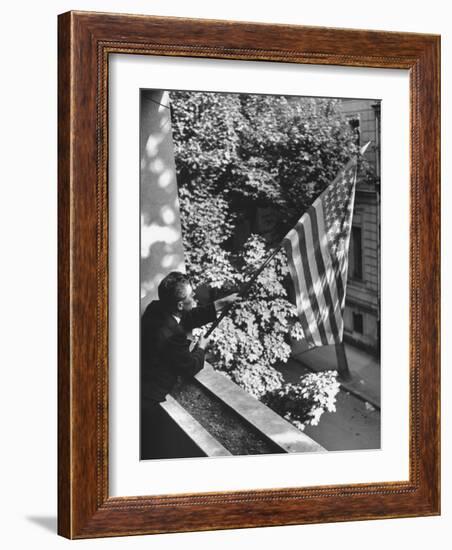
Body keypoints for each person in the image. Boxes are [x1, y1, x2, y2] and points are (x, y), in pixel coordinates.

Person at [140, 271, 239, 459]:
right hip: (149, 401)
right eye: (192, 296)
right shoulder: (172, 337)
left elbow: (187, 317)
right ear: (179, 304)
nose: (195, 297)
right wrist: (201, 348)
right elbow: (189, 367)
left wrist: (222, 303)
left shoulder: (157, 309)